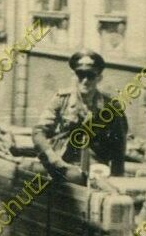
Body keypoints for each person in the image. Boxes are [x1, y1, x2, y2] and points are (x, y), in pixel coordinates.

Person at [32, 49, 127, 183]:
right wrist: (51, 156)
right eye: (80, 75)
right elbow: (39, 131)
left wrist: (117, 180)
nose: (85, 81)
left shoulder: (111, 107)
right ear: (74, 76)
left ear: (99, 78)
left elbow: (119, 147)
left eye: (90, 75)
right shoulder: (62, 100)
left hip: (95, 167)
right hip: (61, 162)